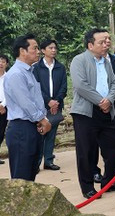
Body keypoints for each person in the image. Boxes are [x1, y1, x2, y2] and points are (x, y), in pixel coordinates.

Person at [70, 28, 115, 198]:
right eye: (102, 41)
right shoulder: (79, 60)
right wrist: (102, 101)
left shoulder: (107, 62)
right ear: (90, 45)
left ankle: (108, 182)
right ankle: (87, 188)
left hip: (107, 111)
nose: (106, 44)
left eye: (108, 40)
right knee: (86, 151)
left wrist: (109, 100)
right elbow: (81, 85)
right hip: (86, 112)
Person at [4, 34, 52, 181]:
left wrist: (40, 120)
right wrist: (43, 120)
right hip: (21, 129)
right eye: (35, 48)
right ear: (22, 51)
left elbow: (35, 100)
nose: (38, 51)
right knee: (21, 177)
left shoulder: (29, 72)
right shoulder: (16, 74)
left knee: (31, 174)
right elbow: (25, 103)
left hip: (32, 128)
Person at [32, 39, 68, 170]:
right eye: (50, 48)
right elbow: (35, 87)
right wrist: (48, 101)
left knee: (51, 134)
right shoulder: (36, 67)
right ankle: (35, 163)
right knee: (40, 133)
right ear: (43, 50)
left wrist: (56, 102)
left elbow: (64, 86)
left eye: (55, 48)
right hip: (41, 106)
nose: (53, 50)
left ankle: (48, 161)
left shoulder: (60, 67)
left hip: (56, 106)